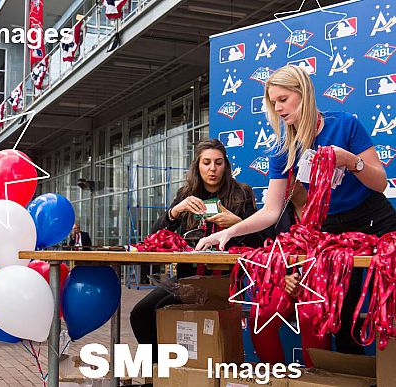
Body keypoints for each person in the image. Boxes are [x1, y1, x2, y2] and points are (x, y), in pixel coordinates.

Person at [196, 65, 396, 365]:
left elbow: (380, 182)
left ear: (304, 95)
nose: (277, 108)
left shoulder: (345, 125)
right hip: (330, 231)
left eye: (283, 99)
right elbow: (272, 211)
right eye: (272, 102)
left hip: (374, 218)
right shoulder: (282, 148)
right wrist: (228, 232)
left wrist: (350, 161)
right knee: (342, 317)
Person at [130, 139, 264, 363]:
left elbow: (260, 244)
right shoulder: (187, 194)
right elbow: (154, 236)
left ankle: (173, 373)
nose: (212, 169)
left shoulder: (242, 193)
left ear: (226, 166)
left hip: (224, 281)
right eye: (207, 162)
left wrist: (237, 223)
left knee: (163, 309)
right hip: (188, 278)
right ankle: (159, 374)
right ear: (198, 166)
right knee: (140, 314)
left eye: (218, 163)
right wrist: (175, 211)